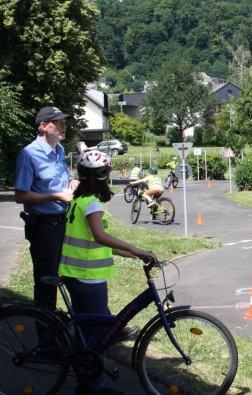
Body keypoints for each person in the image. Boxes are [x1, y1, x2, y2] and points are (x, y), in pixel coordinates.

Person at [59, 151, 157, 395]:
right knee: (99, 330)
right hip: (89, 276)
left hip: (74, 273)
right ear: (104, 177)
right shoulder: (91, 203)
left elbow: (92, 241)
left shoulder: (78, 201)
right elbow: (99, 236)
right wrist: (134, 247)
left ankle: (84, 382)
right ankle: (94, 386)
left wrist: (132, 254)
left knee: (84, 328)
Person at [15, 106, 78, 311]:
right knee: (46, 283)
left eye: (64, 122)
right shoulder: (29, 154)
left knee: (75, 272)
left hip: (64, 222)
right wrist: (57, 196)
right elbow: (20, 195)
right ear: (43, 126)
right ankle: (46, 339)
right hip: (44, 228)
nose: (63, 126)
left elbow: (61, 180)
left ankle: (94, 327)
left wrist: (71, 184)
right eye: (57, 122)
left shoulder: (59, 150)